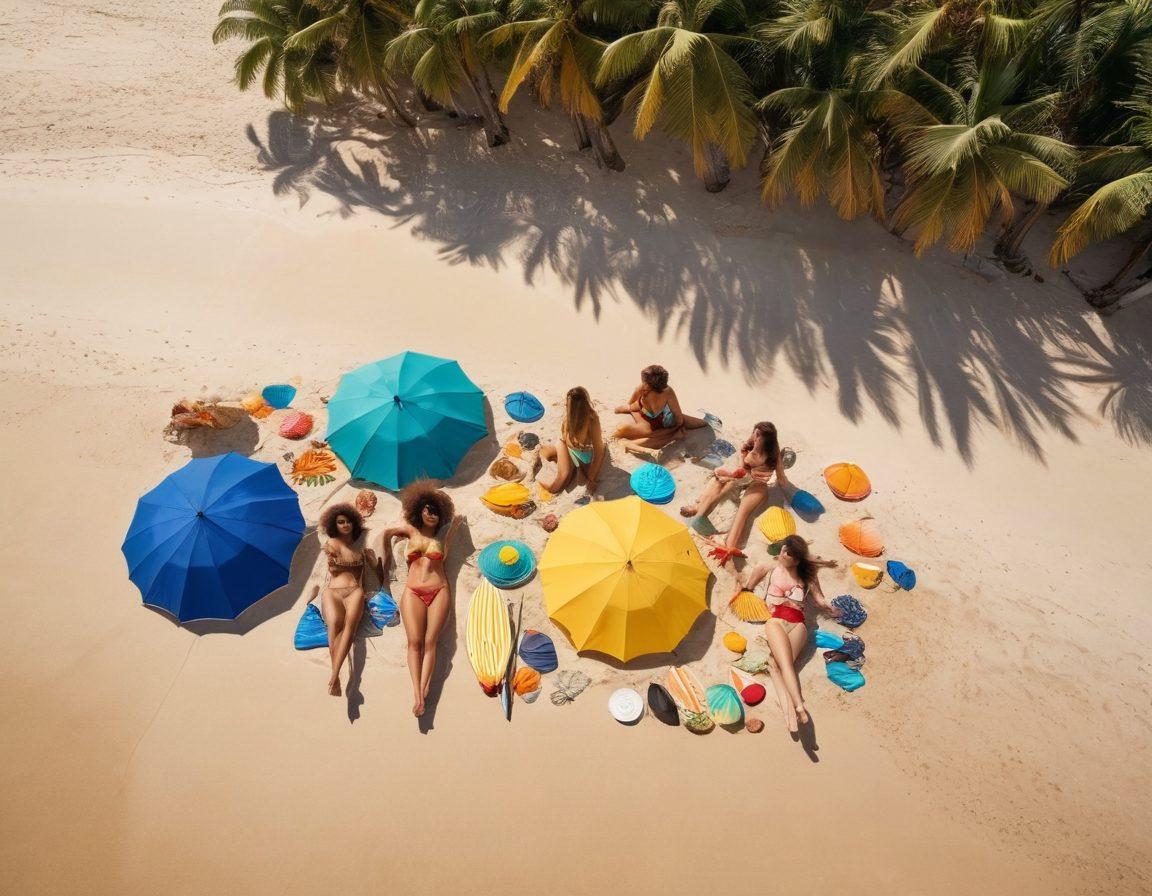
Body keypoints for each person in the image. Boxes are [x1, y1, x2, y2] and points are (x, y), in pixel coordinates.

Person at [736, 535, 839, 732]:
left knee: (779, 664)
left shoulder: (808, 575)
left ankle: (789, 712)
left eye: (787, 553)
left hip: (798, 625)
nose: (782, 554)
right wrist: (745, 590)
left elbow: (819, 598)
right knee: (785, 665)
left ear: (797, 560)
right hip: (775, 622)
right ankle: (799, 707)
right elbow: (749, 586)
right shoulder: (770, 567)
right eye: (783, 550)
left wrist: (831, 608)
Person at [379, 482, 462, 717]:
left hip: (439, 590)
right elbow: (386, 532)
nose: (432, 513)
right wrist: (385, 559)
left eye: (436, 510)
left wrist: (447, 509)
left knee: (430, 642)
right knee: (414, 642)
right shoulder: (410, 531)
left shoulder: (445, 535)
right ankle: (417, 693)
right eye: (427, 509)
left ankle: (424, 689)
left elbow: (459, 517)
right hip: (413, 591)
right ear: (418, 511)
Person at [680, 421, 790, 564]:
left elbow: (742, 471)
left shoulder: (756, 453)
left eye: (756, 435)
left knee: (733, 500)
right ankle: (703, 515)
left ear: (760, 437)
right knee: (728, 496)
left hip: (752, 481)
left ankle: (721, 537)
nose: (753, 437)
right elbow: (781, 478)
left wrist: (741, 452)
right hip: (751, 483)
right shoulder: (773, 451)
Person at [318, 503, 383, 697]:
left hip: (355, 591)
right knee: (334, 628)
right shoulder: (331, 544)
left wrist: (377, 563)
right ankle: (336, 676)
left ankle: (334, 674)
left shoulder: (360, 550)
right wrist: (331, 563)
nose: (345, 525)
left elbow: (379, 577)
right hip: (333, 592)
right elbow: (329, 565)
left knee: (349, 629)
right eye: (340, 522)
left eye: (348, 522)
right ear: (334, 525)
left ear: (355, 524)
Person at [613, 364, 707, 454]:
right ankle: (671, 436)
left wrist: (634, 408)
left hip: (649, 421)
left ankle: (668, 435)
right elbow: (678, 416)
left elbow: (630, 404)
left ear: (647, 383)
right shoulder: (667, 392)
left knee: (625, 419)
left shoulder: (642, 389)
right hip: (663, 421)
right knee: (701, 424)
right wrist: (674, 429)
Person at [539, 386, 606, 497]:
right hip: (566, 447)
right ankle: (558, 467)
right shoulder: (569, 415)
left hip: (583, 454)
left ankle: (569, 466)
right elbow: (564, 438)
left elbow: (599, 449)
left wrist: (592, 477)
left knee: (571, 481)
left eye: (568, 404)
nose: (565, 405)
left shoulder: (592, 420)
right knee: (557, 485)